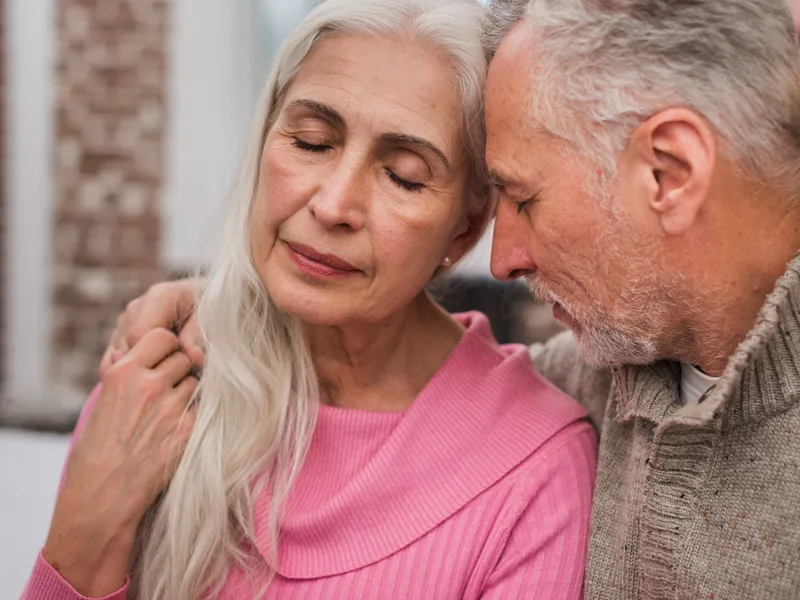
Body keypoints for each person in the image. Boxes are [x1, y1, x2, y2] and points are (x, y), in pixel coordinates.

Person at [110, 0, 800, 598]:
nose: (502, 260)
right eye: (312, 141)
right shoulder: (601, 369)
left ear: (669, 173)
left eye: (523, 198)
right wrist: (226, 304)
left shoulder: (553, 445)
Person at [22, 1, 597, 599]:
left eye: (402, 175)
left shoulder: (535, 474)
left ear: (464, 225)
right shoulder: (154, 386)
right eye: (312, 142)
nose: (332, 205)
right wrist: (83, 539)